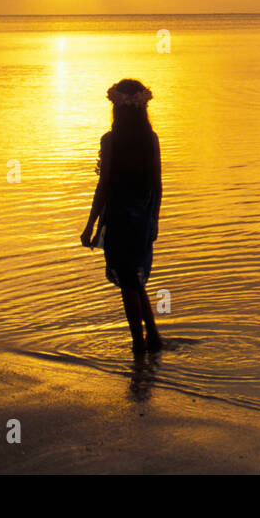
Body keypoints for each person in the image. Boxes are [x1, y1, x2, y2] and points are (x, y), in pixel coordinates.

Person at [81, 78, 163, 354]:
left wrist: (90, 225)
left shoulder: (111, 140)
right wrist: (155, 219)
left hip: (119, 218)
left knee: (128, 282)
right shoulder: (150, 139)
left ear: (117, 108)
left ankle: (139, 344)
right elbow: (157, 184)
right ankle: (152, 337)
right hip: (142, 217)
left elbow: (103, 185)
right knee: (134, 279)